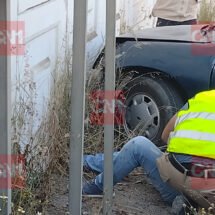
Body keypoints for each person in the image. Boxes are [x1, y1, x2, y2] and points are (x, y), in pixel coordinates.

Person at [83, 90, 215, 214]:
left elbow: (165, 136)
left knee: (138, 145)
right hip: (208, 190)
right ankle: (191, 204)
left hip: (176, 177)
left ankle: (93, 181)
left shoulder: (201, 98)